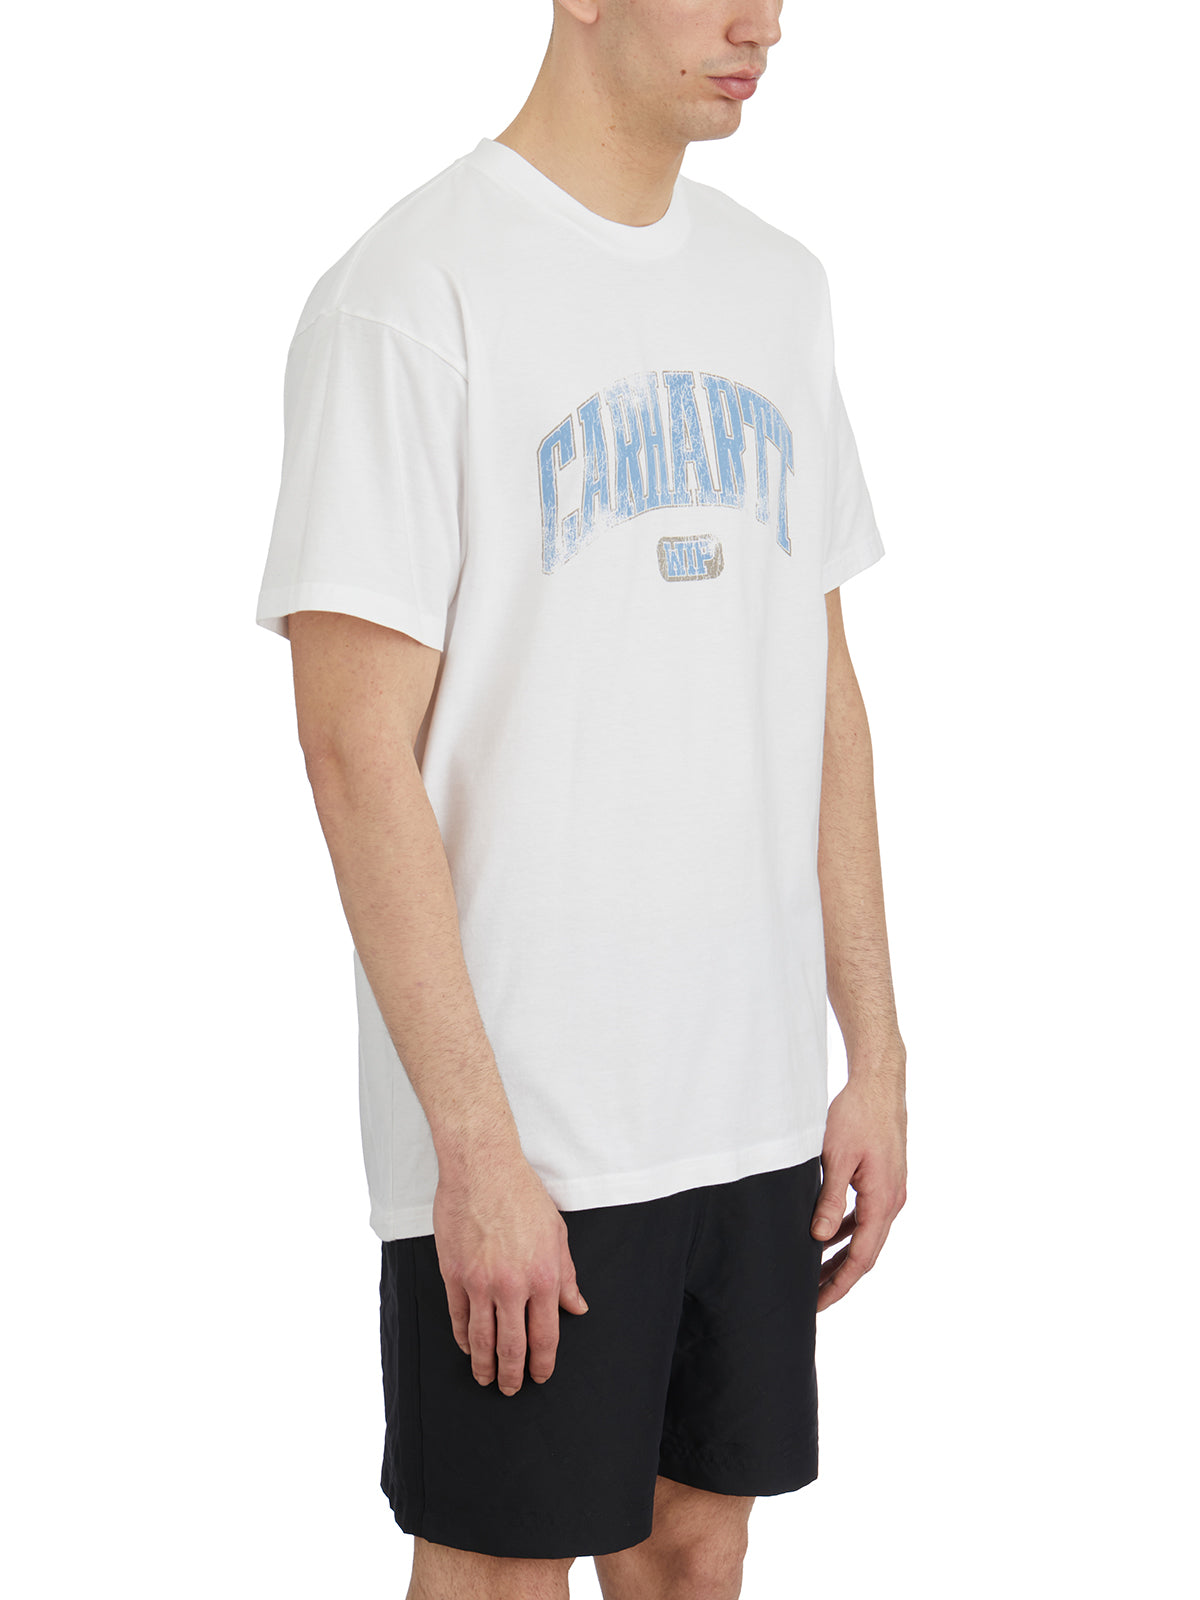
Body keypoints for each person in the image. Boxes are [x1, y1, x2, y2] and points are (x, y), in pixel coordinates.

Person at [255, 1, 907, 1595]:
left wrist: (874, 1053)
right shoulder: (413, 295)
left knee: (696, 1552)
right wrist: (475, 1147)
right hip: (533, 1130)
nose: (764, 24)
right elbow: (352, 750)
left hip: (750, 1102)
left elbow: (821, 690)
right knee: (500, 1570)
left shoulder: (780, 289)